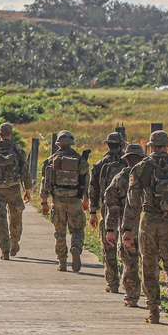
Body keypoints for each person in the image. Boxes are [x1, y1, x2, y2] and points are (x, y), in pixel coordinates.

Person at [121, 130, 168, 326]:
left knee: (149, 265)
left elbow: (132, 200)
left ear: (150, 146)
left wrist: (128, 228)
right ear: (167, 146)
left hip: (148, 221)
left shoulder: (141, 168)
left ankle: (153, 310)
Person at [39, 130, 89, 272]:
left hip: (58, 201)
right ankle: (75, 247)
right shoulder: (80, 160)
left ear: (58, 144)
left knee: (59, 232)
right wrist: (86, 200)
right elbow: (86, 182)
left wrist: (44, 202)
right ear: (71, 143)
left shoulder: (51, 160)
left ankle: (62, 262)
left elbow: (45, 183)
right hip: (75, 201)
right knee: (77, 229)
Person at [103, 144, 146, 308]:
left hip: (126, 227)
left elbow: (111, 207)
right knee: (150, 262)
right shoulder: (149, 177)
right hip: (146, 225)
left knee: (129, 263)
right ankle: (152, 298)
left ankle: (131, 296)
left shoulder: (119, 179)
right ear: (142, 158)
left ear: (126, 159)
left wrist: (110, 230)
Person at [0, 122, 32, 260]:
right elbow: (25, 171)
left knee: (0, 221)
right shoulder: (17, 150)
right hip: (14, 190)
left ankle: (5, 251)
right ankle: (14, 244)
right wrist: (27, 190)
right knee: (16, 219)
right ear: (11, 134)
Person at [89, 132, 127, 291]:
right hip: (127, 208)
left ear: (108, 145)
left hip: (107, 208)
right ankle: (127, 278)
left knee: (108, 244)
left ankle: (112, 282)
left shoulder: (100, 164)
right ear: (122, 145)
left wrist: (93, 211)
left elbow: (93, 189)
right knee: (128, 245)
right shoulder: (129, 162)